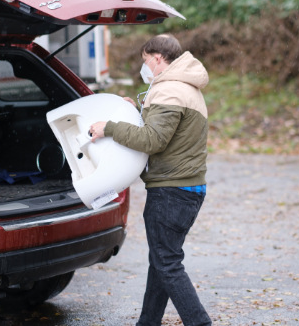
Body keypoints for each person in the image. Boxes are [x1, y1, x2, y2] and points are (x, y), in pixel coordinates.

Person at [89, 34, 211, 325]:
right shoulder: (185, 87)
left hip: (171, 190)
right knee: (161, 261)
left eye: (145, 61)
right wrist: (133, 112)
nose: (144, 67)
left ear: (157, 58)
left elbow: (153, 139)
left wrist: (110, 127)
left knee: (167, 263)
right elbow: (164, 133)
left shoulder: (169, 90)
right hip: (185, 187)